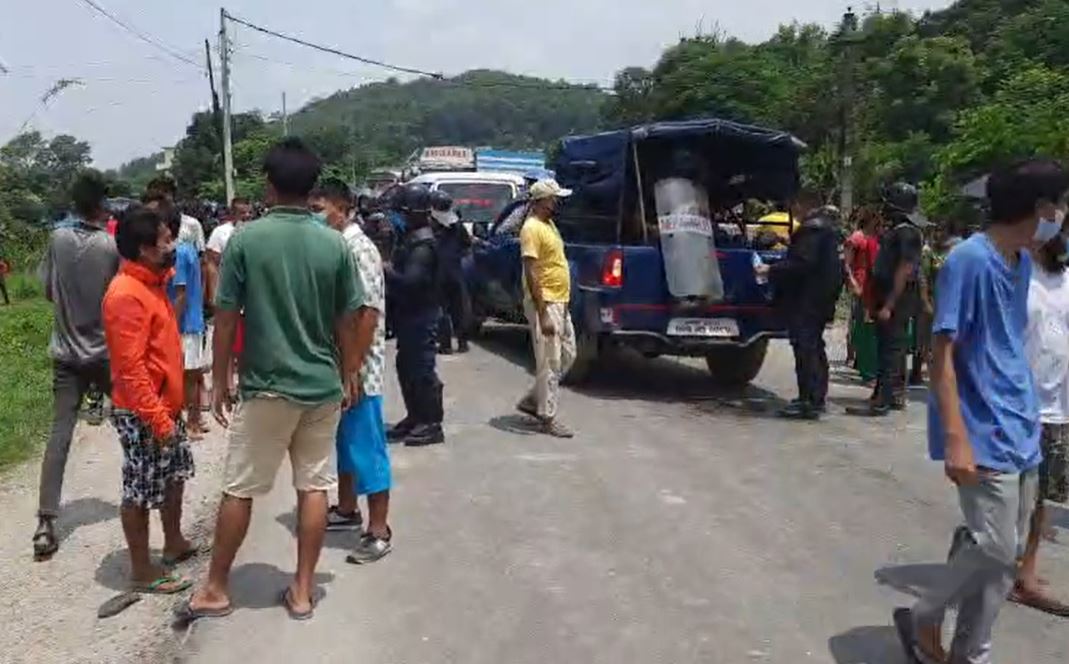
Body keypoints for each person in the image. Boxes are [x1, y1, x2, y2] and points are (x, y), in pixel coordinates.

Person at [178, 138, 362, 624]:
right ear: (312, 188)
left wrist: (219, 380)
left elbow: (227, 315)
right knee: (314, 487)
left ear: (270, 184)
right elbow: (349, 320)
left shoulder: (246, 240)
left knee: (240, 488)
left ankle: (216, 588)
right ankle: (302, 592)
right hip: (321, 386)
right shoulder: (334, 243)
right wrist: (349, 374)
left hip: (267, 387)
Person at [894, 158, 1069, 664]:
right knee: (994, 547)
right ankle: (926, 614)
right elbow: (942, 354)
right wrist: (955, 437)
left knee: (1003, 558)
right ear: (1040, 208)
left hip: (1021, 422)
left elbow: (1009, 346)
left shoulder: (1019, 264)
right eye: (1060, 207)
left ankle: (969, 654)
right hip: (982, 426)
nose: (1062, 217)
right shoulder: (968, 260)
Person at [103, 203, 196, 595]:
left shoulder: (152, 284)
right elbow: (131, 369)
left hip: (164, 408)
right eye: (165, 240)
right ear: (145, 248)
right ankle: (141, 570)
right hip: (142, 411)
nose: (172, 244)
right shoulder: (125, 295)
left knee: (173, 476)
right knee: (140, 488)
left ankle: (172, 542)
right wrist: (157, 420)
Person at [33, 170, 120, 559]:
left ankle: (46, 522)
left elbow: (48, 289)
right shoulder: (109, 247)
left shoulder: (57, 238)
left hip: (65, 354)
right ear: (102, 205)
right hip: (103, 352)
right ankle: (151, 500)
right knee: (132, 420)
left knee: (60, 434)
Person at [311, 179, 393, 564]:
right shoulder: (338, 246)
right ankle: (346, 509)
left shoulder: (359, 250)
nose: (315, 216)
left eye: (320, 208)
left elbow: (367, 314)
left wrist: (353, 369)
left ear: (341, 208)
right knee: (345, 442)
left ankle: (378, 530)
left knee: (366, 446)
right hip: (342, 365)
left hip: (360, 368)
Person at [1016, 229, 1069, 616]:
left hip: (1057, 406)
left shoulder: (1066, 279)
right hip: (1016, 406)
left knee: (1041, 500)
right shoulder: (1014, 273)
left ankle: (1026, 573)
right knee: (1003, 503)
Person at [765, 193, 844, 420]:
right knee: (815, 347)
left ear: (801, 204)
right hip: (823, 298)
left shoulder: (813, 229)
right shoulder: (832, 230)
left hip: (806, 300)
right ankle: (816, 397)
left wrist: (771, 270)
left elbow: (801, 264)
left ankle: (808, 400)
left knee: (805, 348)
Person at [385, 184, 446, 447]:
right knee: (406, 367)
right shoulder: (411, 239)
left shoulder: (423, 245)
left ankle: (431, 423)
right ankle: (415, 416)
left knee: (421, 370)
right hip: (409, 316)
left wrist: (385, 270)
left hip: (422, 316)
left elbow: (411, 282)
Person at [515, 179, 576, 438]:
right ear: (542, 201)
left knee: (568, 354)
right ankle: (547, 416)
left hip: (559, 300)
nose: (557, 202)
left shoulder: (548, 225)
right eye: (554, 198)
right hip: (546, 302)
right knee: (550, 361)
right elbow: (531, 272)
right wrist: (542, 313)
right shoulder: (531, 229)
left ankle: (533, 400)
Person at [861, 182, 928, 416]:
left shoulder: (907, 232)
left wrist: (889, 304)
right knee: (888, 347)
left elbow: (905, 269)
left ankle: (885, 399)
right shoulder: (900, 230)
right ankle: (888, 395)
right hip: (890, 295)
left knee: (891, 349)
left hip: (896, 298)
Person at [160, 195, 210, 440]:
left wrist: (167, 325)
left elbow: (179, 293)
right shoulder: (189, 249)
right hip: (193, 318)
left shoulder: (178, 253)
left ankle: (188, 422)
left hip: (182, 323)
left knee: (185, 375)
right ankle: (194, 419)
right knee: (192, 373)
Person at [431, 189, 473, 354]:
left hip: (438, 273)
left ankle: (445, 345)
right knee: (459, 308)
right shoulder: (458, 226)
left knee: (442, 310)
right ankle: (462, 343)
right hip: (456, 271)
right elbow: (466, 246)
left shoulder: (431, 226)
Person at [844, 207, 881, 374]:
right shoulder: (856, 238)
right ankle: (854, 356)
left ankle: (861, 358)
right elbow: (846, 264)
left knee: (867, 323)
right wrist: (852, 283)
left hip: (872, 284)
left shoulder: (874, 238)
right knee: (858, 321)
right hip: (860, 283)